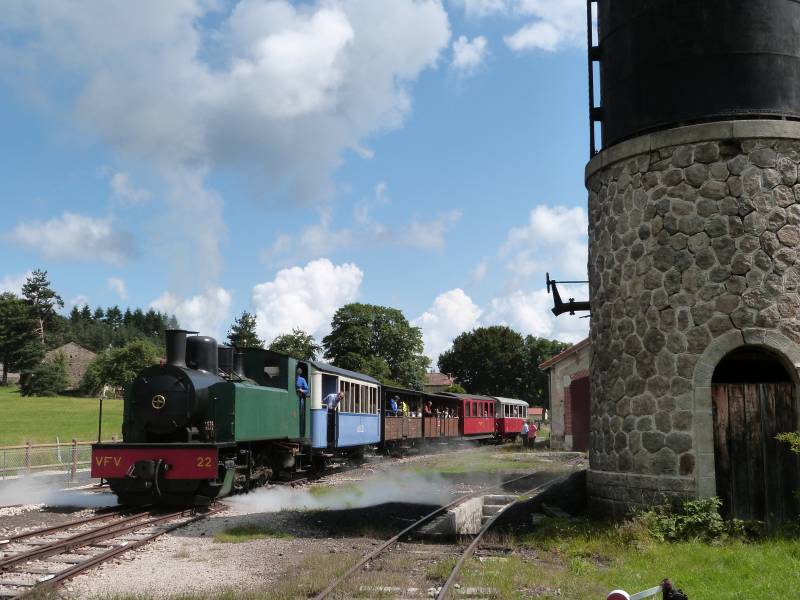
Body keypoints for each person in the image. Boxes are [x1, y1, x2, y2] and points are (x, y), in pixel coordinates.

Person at [295, 368, 309, 436]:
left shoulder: (302, 379)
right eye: (296, 374)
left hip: (300, 398)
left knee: (301, 413)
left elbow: (307, 390)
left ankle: (300, 430)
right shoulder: (292, 379)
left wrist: (301, 390)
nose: (297, 375)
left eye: (298, 374)